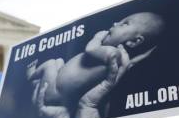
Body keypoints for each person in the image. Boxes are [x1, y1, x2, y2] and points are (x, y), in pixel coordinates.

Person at [27, 12, 165, 110]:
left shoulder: (112, 52)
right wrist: (145, 54)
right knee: (59, 62)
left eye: (124, 24)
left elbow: (90, 49)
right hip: (59, 93)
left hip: (56, 92)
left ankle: (31, 75)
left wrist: (97, 38)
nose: (115, 23)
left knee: (51, 63)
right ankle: (38, 82)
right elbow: (131, 63)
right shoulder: (121, 60)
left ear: (135, 41)